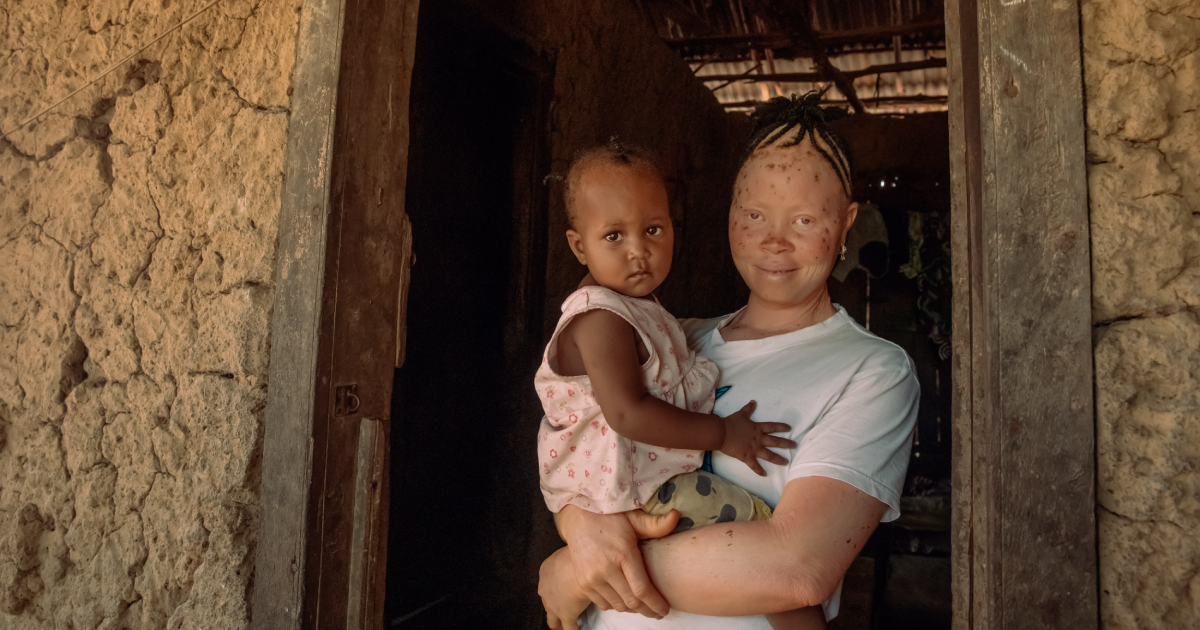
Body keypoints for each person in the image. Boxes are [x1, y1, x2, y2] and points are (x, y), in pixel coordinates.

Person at [537, 92, 920, 630]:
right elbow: (581, 447)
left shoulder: (872, 372)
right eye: (755, 214)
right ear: (731, 214)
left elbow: (796, 569)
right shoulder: (672, 343)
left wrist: (579, 572)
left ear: (846, 222)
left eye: (805, 220)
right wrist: (577, 522)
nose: (774, 241)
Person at [535, 141, 816, 629]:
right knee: (760, 534)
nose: (638, 250)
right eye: (613, 236)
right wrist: (723, 434)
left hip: (633, 486)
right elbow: (629, 413)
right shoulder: (599, 319)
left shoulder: (641, 311)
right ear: (579, 245)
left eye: (652, 230)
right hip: (635, 490)